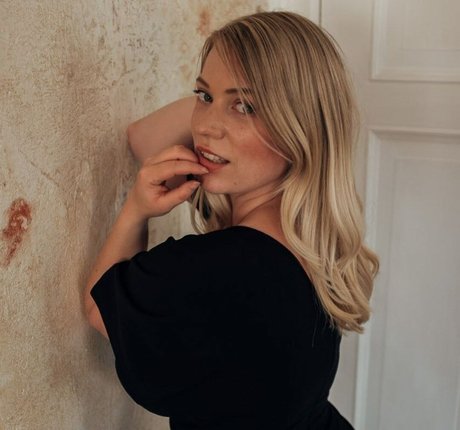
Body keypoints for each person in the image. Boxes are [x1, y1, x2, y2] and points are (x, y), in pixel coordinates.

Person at [84, 10, 379, 430]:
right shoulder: (309, 234)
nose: (206, 127)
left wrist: (136, 210)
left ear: (299, 127)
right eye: (202, 96)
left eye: (245, 106)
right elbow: (143, 139)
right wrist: (227, 90)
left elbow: (99, 306)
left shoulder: (220, 267)